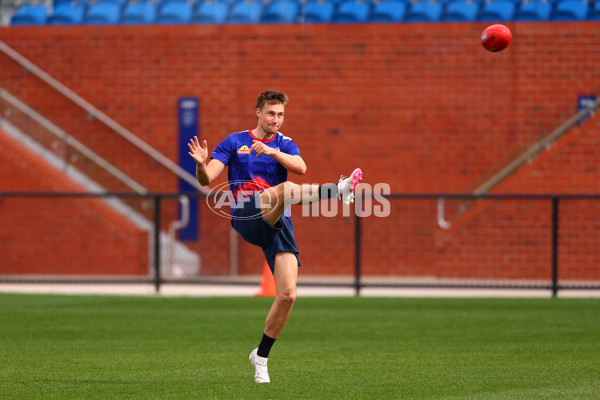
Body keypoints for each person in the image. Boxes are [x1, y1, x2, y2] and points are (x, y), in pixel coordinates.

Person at [188, 90, 362, 383]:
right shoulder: (234, 142)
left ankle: (261, 356)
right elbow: (208, 178)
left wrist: (271, 151)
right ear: (257, 112)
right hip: (246, 214)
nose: (276, 120)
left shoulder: (284, 143)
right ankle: (339, 190)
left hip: (278, 222)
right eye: (271, 113)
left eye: (280, 115)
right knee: (286, 190)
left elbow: (301, 167)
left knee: (288, 295)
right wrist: (200, 163)